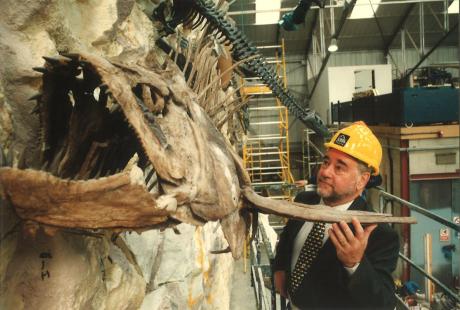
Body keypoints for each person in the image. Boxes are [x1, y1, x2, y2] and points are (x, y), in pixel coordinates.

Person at [273, 121, 400, 309]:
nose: (325, 172)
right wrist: (280, 267)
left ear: (362, 180)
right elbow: (286, 240)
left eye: (339, 167)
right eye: (326, 162)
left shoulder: (378, 233)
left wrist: (354, 264)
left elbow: (383, 304)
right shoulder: (304, 200)